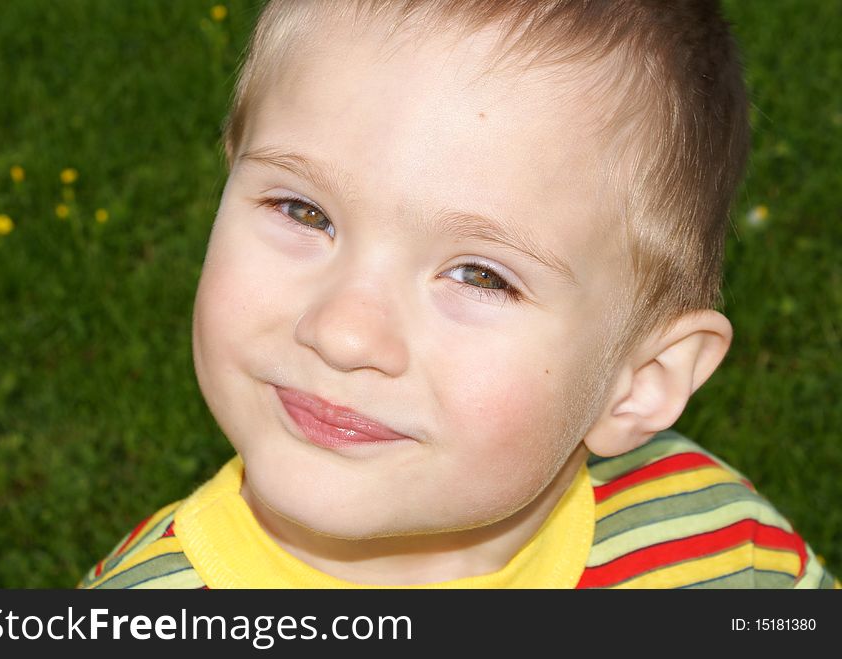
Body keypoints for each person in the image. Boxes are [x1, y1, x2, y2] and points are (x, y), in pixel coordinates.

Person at [80, 0, 837, 589]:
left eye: (480, 274)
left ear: (639, 382)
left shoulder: (722, 553)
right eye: (303, 211)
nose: (343, 332)